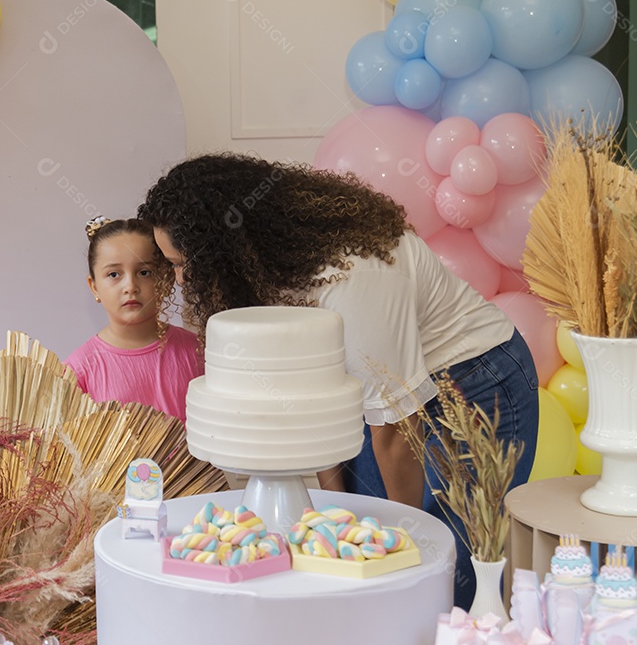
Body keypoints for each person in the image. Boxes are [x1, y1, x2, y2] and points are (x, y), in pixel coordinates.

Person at [138, 153, 538, 608]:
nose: (181, 278)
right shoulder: (267, 272)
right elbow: (317, 399)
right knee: (354, 531)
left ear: (223, 249)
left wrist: (394, 556)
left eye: (182, 263)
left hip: (478, 380)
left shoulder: (353, 274)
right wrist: (338, 515)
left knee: (449, 570)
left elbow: (396, 434)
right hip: (392, 401)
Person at [64, 216, 204, 421]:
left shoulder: (198, 353)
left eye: (145, 272)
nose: (130, 286)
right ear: (94, 287)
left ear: (165, 279)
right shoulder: (77, 372)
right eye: (114, 274)